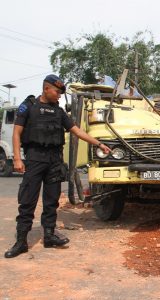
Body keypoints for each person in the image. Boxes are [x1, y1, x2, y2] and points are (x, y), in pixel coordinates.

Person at [4, 74, 111, 259]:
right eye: (57, 91)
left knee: (51, 200)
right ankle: (21, 241)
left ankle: (49, 235)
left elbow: (77, 131)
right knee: (28, 200)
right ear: (46, 89)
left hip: (54, 159)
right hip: (35, 158)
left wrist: (98, 143)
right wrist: (16, 160)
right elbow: (16, 133)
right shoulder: (28, 106)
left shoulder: (59, 112)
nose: (60, 95)